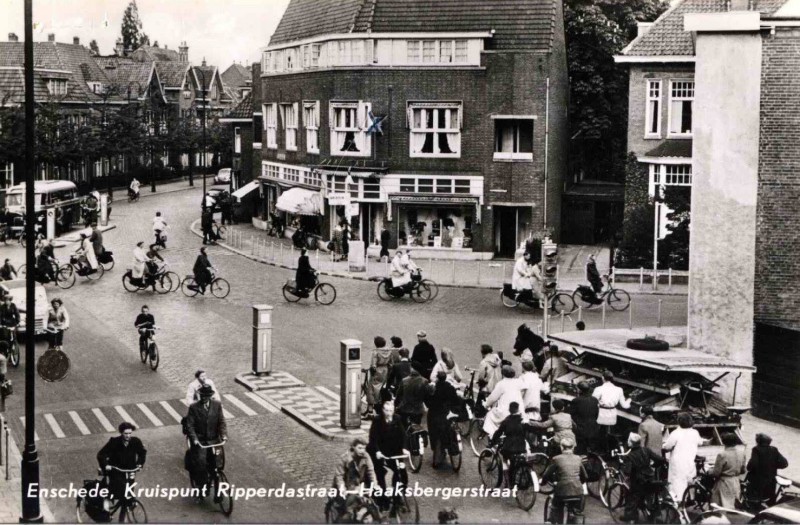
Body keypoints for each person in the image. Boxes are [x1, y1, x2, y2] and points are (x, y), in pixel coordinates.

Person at [186, 385, 227, 499]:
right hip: (201, 442)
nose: (204, 398)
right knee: (201, 466)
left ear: (210, 396)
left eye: (207, 396)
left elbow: (221, 421)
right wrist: (194, 439)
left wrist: (223, 435)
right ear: (200, 395)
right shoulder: (194, 407)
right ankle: (202, 487)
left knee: (217, 466)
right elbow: (190, 425)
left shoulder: (217, 405)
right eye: (202, 395)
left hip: (214, 440)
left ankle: (218, 494)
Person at [367, 400, 409, 511]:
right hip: (380, 452)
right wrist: (377, 451)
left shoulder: (397, 418)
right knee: (379, 473)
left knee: (401, 473)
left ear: (393, 410)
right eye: (386, 410)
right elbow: (373, 438)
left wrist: (404, 448)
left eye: (391, 410)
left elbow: (404, 435)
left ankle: (397, 496)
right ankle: (382, 499)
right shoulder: (377, 420)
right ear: (383, 410)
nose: (389, 413)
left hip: (394, 451)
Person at [97, 422, 147, 510]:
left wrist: (139, 464)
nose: (128, 436)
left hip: (130, 470)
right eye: (126, 433)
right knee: (117, 488)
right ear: (121, 433)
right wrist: (106, 465)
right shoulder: (114, 442)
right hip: (116, 470)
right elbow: (101, 454)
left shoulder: (136, 441)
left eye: (130, 433)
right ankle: (107, 500)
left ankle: (126, 508)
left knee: (129, 490)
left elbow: (142, 453)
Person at [622, 432, 666, 523]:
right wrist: (653, 465)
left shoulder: (629, 456)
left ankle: (631, 517)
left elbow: (627, 472)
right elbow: (661, 459)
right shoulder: (646, 450)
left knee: (631, 496)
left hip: (639, 482)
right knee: (649, 494)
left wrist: (624, 467)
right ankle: (652, 513)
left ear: (630, 443)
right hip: (650, 479)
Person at [541, 437, 587, 524]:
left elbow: (546, 475)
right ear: (573, 447)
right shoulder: (578, 458)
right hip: (578, 491)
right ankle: (573, 517)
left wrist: (543, 482)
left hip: (562, 491)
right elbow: (584, 477)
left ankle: (556, 521)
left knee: (556, 507)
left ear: (561, 447)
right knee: (575, 510)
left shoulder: (556, 459)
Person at [663, 412, 707, 502]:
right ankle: (691, 498)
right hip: (690, 461)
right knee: (690, 480)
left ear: (679, 421)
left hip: (678, 463)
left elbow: (667, 447)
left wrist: (663, 446)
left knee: (678, 482)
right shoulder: (695, 432)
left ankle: (679, 502)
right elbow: (700, 442)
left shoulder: (676, 433)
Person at [333, 438, 377, 521]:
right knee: (346, 513)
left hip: (358, 485)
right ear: (353, 447)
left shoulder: (366, 456)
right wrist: (343, 489)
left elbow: (371, 471)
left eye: (364, 448)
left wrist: (375, 484)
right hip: (345, 485)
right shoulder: (344, 458)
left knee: (370, 504)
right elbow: (339, 476)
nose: (362, 451)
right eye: (360, 448)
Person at [427, 371, 462, 468]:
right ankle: (448, 449)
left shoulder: (433, 388)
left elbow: (428, 402)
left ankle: (437, 458)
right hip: (446, 414)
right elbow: (455, 401)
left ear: (437, 378)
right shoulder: (450, 388)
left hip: (434, 414)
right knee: (446, 432)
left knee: (436, 435)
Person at [491, 401, 530, 483]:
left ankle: (508, 478)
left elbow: (498, 433)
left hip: (509, 447)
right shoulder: (522, 420)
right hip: (521, 446)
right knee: (516, 460)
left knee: (504, 458)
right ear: (518, 409)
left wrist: (492, 443)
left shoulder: (506, 421)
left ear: (509, 410)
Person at [593, 370, 632, 452]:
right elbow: (625, 405)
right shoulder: (619, 389)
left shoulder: (598, 389)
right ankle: (612, 449)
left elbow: (593, 402)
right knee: (610, 432)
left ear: (603, 378)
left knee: (601, 432)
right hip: (612, 415)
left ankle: (601, 449)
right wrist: (629, 400)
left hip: (601, 414)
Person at [746, 433, 789, 505]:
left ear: (758, 441)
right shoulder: (774, 449)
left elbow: (753, 463)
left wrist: (749, 468)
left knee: (752, 496)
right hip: (771, 481)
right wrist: (772, 466)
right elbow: (784, 463)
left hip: (757, 480)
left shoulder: (756, 449)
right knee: (770, 498)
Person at [483, 366, 524, 436]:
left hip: (505, 412)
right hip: (519, 411)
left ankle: (493, 436)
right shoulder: (518, 382)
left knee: (489, 415)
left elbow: (493, 398)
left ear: (503, 374)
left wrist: (486, 404)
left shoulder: (501, 384)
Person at [711, 432, 746, 509]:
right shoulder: (741, 453)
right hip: (736, 481)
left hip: (724, 482)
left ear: (724, 442)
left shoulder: (722, 454)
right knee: (734, 504)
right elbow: (743, 470)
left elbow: (716, 473)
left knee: (720, 504)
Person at [367, 336, 397, 415]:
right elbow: (391, 364)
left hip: (378, 370)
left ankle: (371, 409)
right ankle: (380, 404)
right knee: (382, 387)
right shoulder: (389, 351)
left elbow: (373, 365)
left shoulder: (376, 352)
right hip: (385, 370)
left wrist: (372, 371)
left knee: (372, 388)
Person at [569, 381, 599, 455]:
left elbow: (572, 414)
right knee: (592, 449)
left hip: (581, 428)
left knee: (580, 449)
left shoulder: (576, 400)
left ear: (579, 390)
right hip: (593, 426)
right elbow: (596, 413)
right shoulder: (594, 400)